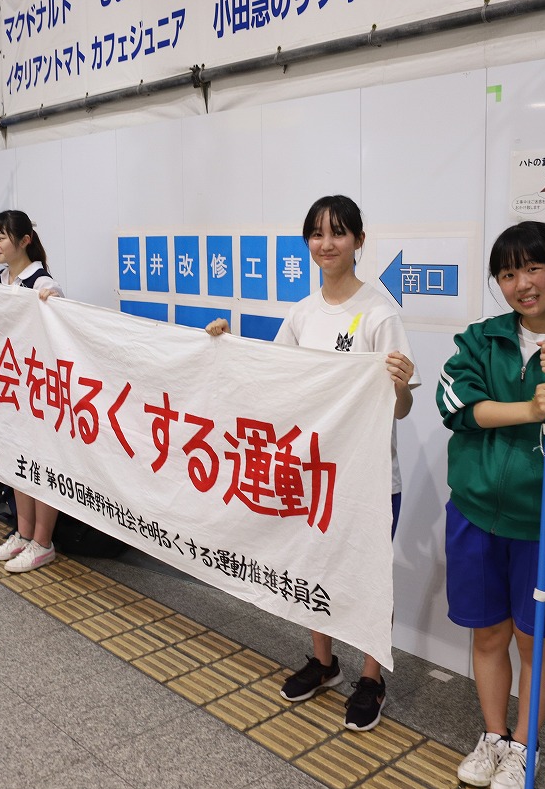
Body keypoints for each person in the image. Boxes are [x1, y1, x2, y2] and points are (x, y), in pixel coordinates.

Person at [206, 194, 419, 732]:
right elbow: (275, 377)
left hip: (368, 477)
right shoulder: (302, 312)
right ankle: (323, 662)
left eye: (339, 233)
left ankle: (371, 677)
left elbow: (402, 406)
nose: (327, 244)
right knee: (311, 564)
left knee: (370, 579)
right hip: (313, 471)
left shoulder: (380, 312)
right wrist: (226, 347)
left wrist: (396, 385)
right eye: (318, 234)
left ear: (359, 242)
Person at [437, 220, 545, 789]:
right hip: (474, 512)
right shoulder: (482, 338)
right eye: (509, 272)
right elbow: (456, 405)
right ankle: (493, 738)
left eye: (535, 266)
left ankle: (525, 746)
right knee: (489, 633)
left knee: (532, 639)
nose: (523, 282)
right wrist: (529, 409)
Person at [0, 209, 65, 573]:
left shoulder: (44, 284)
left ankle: (43, 542)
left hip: (39, 389)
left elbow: (61, 332)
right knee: (18, 460)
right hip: (9, 386)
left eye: (2, 237)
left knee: (43, 463)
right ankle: (23, 533)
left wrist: (54, 305)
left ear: (24, 240)